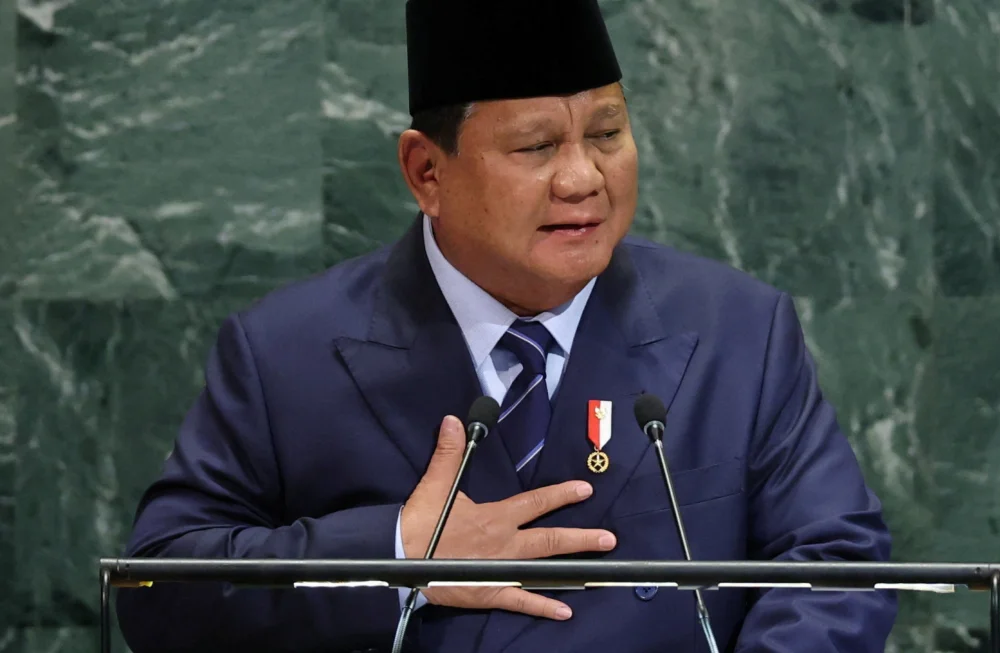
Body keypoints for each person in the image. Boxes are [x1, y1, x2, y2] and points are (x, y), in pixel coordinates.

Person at [114, 1, 898, 651]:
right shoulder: (285, 352)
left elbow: (834, 563)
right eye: (536, 146)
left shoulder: (737, 330)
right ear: (427, 172)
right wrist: (397, 552)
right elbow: (155, 586)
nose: (583, 177)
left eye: (606, 134)